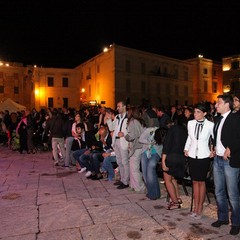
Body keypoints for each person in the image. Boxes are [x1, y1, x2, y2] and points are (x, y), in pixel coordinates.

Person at [211, 94, 240, 236]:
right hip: (217, 159)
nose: (216, 105)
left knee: (233, 194)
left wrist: (230, 148)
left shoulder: (236, 118)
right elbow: (216, 137)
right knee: (219, 191)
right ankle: (222, 218)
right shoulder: (218, 119)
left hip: (230, 161)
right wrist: (214, 147)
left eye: (218, 103)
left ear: (227, 104)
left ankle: (236, 223)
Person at [184, 102, 214, 219]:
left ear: (204, 113)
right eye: (195, 111)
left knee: (201, 182)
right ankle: (195, 207)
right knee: (194, 182)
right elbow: (189, 137)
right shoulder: (190, 123)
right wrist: (186, 148)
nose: (195, 114)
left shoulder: (210, 125)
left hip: (204, 156)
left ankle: (200, 208)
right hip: (192, 155)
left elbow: (214, 139)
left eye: (198, 112)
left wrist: (213, 149)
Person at [161, 117, 188, 210]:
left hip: (171, 157)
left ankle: (175, 202)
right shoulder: (185, 130)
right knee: (173, 179)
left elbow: (167, 146)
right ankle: (178, 198)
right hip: (181, 157)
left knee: (167, 180)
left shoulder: (172, 130)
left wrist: (163, 161)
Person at [106, 100, 129, 189]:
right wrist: (108, 120)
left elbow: (131, 131)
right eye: (117, 106)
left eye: (119, 106)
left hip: (124, 141)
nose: (117, 108)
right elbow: (112, 128)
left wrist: (124, 134)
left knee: (124, 162)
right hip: (116, 141)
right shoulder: (117, 117)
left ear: (124, 107)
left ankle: (126, 182)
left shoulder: (128, 118)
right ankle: (122, 179)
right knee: (119, 162)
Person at [139, 127, 167, 200]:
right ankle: (154, 193)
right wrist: (150, 142)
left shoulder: (163, 134)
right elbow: (140, 139)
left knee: (151, 169)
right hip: (145, 152)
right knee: (145, 174)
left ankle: (153, 195)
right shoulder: (150, 130)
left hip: (156, 153)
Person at [125, 106, 146, 193]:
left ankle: (140, 187)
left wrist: (125, 136)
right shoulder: (140, 121)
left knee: (134, 168)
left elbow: (132, 136)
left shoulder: (133, 122)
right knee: (133, 167)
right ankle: (133, 185)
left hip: (136, 147)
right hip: (140, 146)